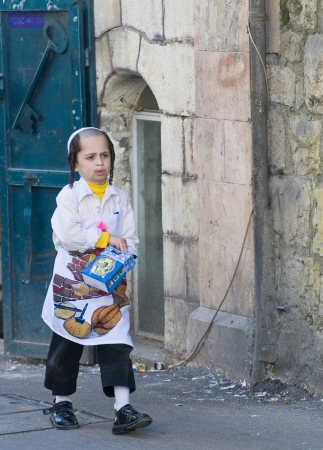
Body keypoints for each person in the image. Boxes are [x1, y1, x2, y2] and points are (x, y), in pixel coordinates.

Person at [41, 127, 152, 434]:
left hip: (107, 290)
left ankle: (123, 408)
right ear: (75, 163)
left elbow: (130, 240)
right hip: (72, 290)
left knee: (116, 344)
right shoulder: (69, 196)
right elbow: (69, 236)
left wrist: (121, 257)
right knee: (66, 345)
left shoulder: (120, 198)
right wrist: (106, 238)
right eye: (90, 157)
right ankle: (61, 403)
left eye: (104, 155)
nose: (99, 162)